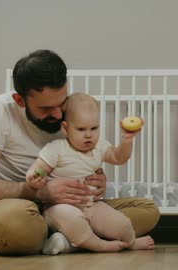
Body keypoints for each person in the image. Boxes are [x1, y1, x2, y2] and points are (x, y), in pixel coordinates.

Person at [0, 49, 160, 255]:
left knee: (148, 210)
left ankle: (66, 240)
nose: (57, 114)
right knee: (15, 227)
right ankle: (75, 236)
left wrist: (96, 180)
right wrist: (39, 191)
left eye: (61, 103)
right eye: (46, 108)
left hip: (77, 207)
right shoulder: (0, 111)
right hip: (17, 208)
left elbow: (95, 155)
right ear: (20, 101)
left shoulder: (72, 109)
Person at [26, 92, 154, 254]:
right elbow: (39, 167)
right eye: (81, 129)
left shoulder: (99, 146)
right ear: (65, 128)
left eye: (94, 128)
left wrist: (126, 140)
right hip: (59, 206)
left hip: (92, 205)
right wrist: (34, 176)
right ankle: (99, 245)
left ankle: (129, 241)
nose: (89, 134)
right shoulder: (57, 148)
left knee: (121, 223)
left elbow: (118, 157)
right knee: (72, 220)